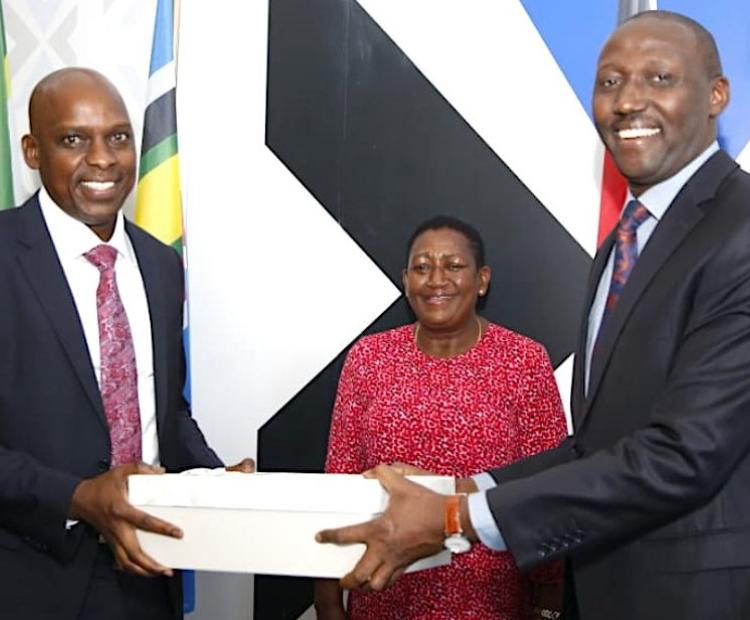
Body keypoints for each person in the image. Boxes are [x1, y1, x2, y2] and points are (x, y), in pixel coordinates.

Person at [317, 10, 750, 620]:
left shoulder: (739, 232)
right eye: (609, 82)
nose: (628, 101)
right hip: (603, 587)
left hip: (690, 597)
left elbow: (684, 455)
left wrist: (453, 516)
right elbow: (599, 446)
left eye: (659, 78)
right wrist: (465, 489)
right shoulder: (626, 243)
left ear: (716, 95)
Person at [0, 67, 252, 620]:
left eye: (118, 137)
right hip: (28, 578)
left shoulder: (161, 265)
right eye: (73, 140)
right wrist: (78, 497)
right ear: (32, 151)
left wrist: (213, 481)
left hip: (148, 571)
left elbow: (165, 411)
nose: (103, 159)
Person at [314, 216, 567, 620]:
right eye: (422, 267)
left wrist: (548, 601)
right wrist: (327, 599)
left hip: (490, 599)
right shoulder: (369, 359)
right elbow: (338, 484)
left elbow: (549, 489)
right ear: (405, 279)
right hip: (384, 588)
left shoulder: (524, 361)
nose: (435, 280)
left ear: (482, 279)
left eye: (453, 266)